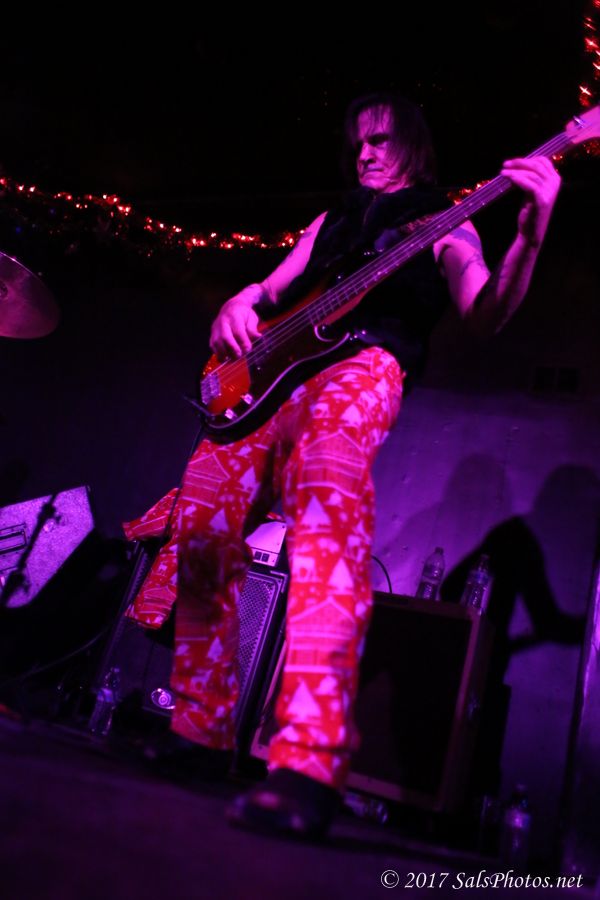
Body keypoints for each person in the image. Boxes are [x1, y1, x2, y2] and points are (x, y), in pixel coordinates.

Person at [128, 91, 560, 838]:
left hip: (362, 366)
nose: (364, 152)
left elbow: (484, 312)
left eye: (380, 139)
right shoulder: (331, 221)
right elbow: (269, 289)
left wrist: (530, 233)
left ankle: (308, 762)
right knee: (201, 521)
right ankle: (199, 731)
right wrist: (239, 301)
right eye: (357, 141)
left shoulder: (445, 223)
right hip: (270, 381)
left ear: (414, 146)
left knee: (327, 511)